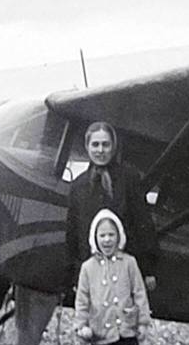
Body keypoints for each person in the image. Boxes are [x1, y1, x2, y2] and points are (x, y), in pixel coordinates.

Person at [75, 209, 151, 345]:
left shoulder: (129, 263)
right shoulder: (87, 268)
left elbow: (139, 293)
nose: (107, 240)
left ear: (119, 236)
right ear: (94, 238)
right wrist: (82, 326)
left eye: (111, 235)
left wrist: (143, 323)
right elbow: (82, 299)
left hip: (126, 329)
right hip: (100, 332)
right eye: (102, 235)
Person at [66, 121, 158, 291]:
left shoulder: (129, 178)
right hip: (92, 272)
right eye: (95, 144)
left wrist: (147, 270)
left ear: (113, 146)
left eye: (105, 145)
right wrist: (76, 275)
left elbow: (143, 223)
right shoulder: (78, 185)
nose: (100, 150)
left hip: (125, 270)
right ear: (87, 146)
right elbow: (73, 232)